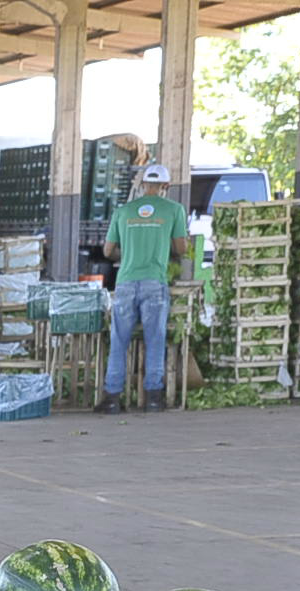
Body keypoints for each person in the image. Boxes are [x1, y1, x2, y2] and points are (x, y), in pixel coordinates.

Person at [100, 162, 189, 414]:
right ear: (166, 186)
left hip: (126, 282)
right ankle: (152, 398)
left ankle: (112, 399)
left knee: (119, 340)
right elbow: (182, 249)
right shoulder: (174, 210)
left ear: (142, 185)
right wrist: (162, 245)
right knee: (155, 339)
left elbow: (107, 251)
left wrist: (128, 252)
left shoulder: (123, 211)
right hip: (155, 282)